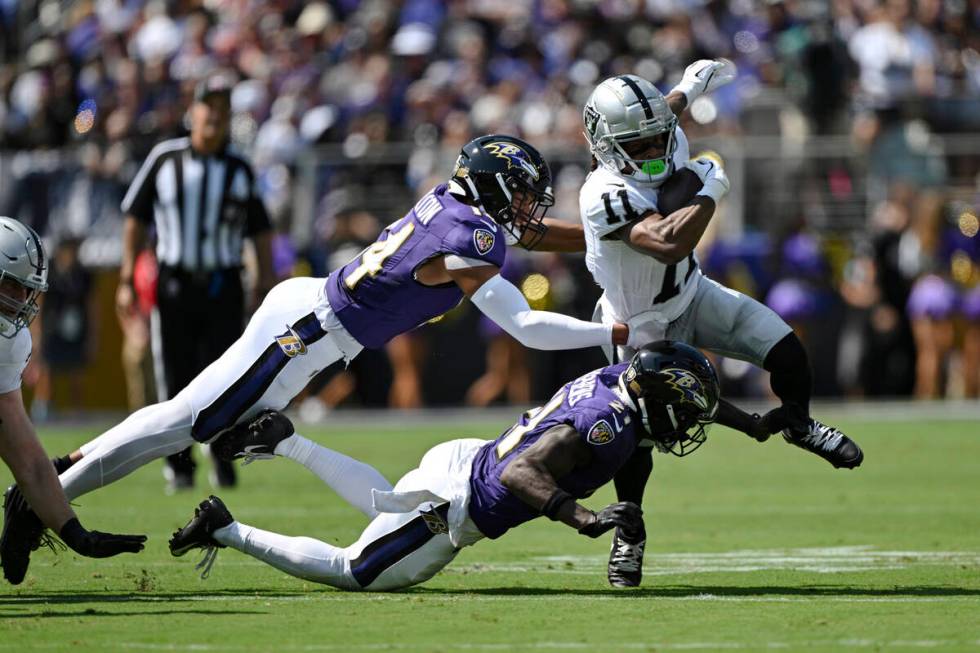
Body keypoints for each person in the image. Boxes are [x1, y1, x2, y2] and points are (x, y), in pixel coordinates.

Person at [1, 134, 639, 580]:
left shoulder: (461, 208)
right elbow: (523, 324)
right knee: (184, 423)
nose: (531, 208)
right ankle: (43, 495)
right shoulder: (470, 235)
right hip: (308, 331)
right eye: (522, 193)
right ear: (495, 189)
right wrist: (606, 335)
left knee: (190, 422)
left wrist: (617, 235)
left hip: (315, 323)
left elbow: (530, 233)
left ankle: (44, 490)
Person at [578, 64, 864, 587]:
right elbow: (667, 241)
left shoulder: (659, 135)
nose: (655, 153)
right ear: (605, 146)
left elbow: (661, 116)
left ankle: (799, 425)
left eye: (659, 139)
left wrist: (688, 87)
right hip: (639, 325)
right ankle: (630, 533)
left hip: (693, 291)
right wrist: (711, 189)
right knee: (637, 441)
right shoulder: (602, 194)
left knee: (786, 350)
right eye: (638, 147)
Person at [167, 341, 718, 591]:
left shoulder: (615, 383)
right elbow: (520, 475)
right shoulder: (607, 425)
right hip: (459, 503)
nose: (687, 424)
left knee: (383, 504)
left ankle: (288, 443)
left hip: (463, 457)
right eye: (686, 412)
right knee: (353, 570)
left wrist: (760, 422)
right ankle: (225, 528)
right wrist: (583, 518)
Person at [116, 73, 276, 492]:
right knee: (175, 377)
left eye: (223, 111)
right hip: (175, 284)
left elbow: (260, 230)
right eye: (209, 107)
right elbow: (135, 215)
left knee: (227, 376)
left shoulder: (239, 168)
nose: (215, 117)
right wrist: (126, 277)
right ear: (193, 112)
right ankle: (180, 466)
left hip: (224, 283)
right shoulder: (165, 159)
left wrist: (265, 284)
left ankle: (223, 458)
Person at [0, 217, 146, 585]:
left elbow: (27, 458)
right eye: (11, 287)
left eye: (25, 291)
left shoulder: (10, 342)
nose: (20, 302)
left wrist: (74, 533)